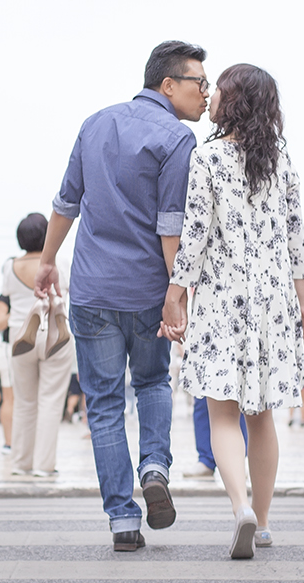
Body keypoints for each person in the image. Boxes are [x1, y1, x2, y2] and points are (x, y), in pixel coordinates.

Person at [36, 40, 206, 552]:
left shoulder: (95, 123)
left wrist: (47, 262)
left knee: (105, 404)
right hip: (148, 291)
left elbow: (67, 201)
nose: (207, 93)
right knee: (153, 382)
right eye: (200, 82)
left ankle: (122, 521)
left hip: (92, 290)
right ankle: (154, 465)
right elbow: (170, 225)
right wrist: (179, 293)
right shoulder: (178, 140)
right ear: (168, 85)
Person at [162, 63, 304, 558]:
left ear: (235, 102)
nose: (210, 97)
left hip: (222, 300)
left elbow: (196, 236)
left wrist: (175, 292)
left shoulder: (206, 160)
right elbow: (296, 245)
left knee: (221, 413)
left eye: (218, 91)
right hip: (273, 304)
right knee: (262, 415)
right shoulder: (283, 166)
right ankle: (265, 522)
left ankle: (240, 509)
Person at [1, 212, 75, 476]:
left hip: (22, 334)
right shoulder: (61, 262)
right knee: (51, 400)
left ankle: (21, 463)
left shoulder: (9, 266)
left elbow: (7, 296)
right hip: (55, 333)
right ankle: (45, 466)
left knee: (24, 401)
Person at [0, 301, 15, 453]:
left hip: (34, 346)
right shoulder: (6, 296)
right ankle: (9, 442)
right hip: (10, 349)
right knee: (9, 398)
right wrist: (19, 311)